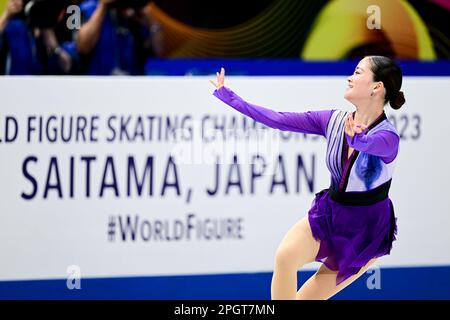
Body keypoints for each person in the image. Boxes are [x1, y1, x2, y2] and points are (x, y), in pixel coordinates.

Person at [209, 56, 405, 300]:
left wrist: (356, 139)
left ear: (377, 87)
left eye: (357, 72)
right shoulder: (333, 120)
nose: (349, 77)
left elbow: (371, 144)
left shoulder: (388, 137)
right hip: (331, 212)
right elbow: (278, 119)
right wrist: (229, 97)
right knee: (285, 257)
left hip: (364, 230)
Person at [76, 0, 161, 75]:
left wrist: (151, 22)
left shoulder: (137, 11)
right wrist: (102, 6)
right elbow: (83, 47)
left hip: (132, 86)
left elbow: (158, 51)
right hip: (97, 85)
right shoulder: (90, 7)